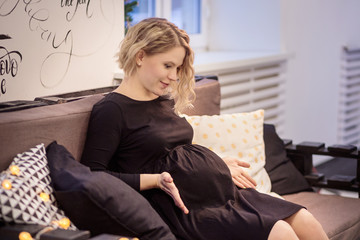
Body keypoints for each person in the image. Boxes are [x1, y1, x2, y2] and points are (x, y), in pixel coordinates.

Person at [81, 17, 328, 240]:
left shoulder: (161, 101)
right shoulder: (112, 110)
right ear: (140, 56)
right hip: (184, 209)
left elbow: (176, 152)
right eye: (168, 65)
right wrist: (155, 181)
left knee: (305, 220)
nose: (175, 76)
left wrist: (216, 165)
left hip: (220, 194)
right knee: (281, 233)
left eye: (177, 68)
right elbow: (92, 174)